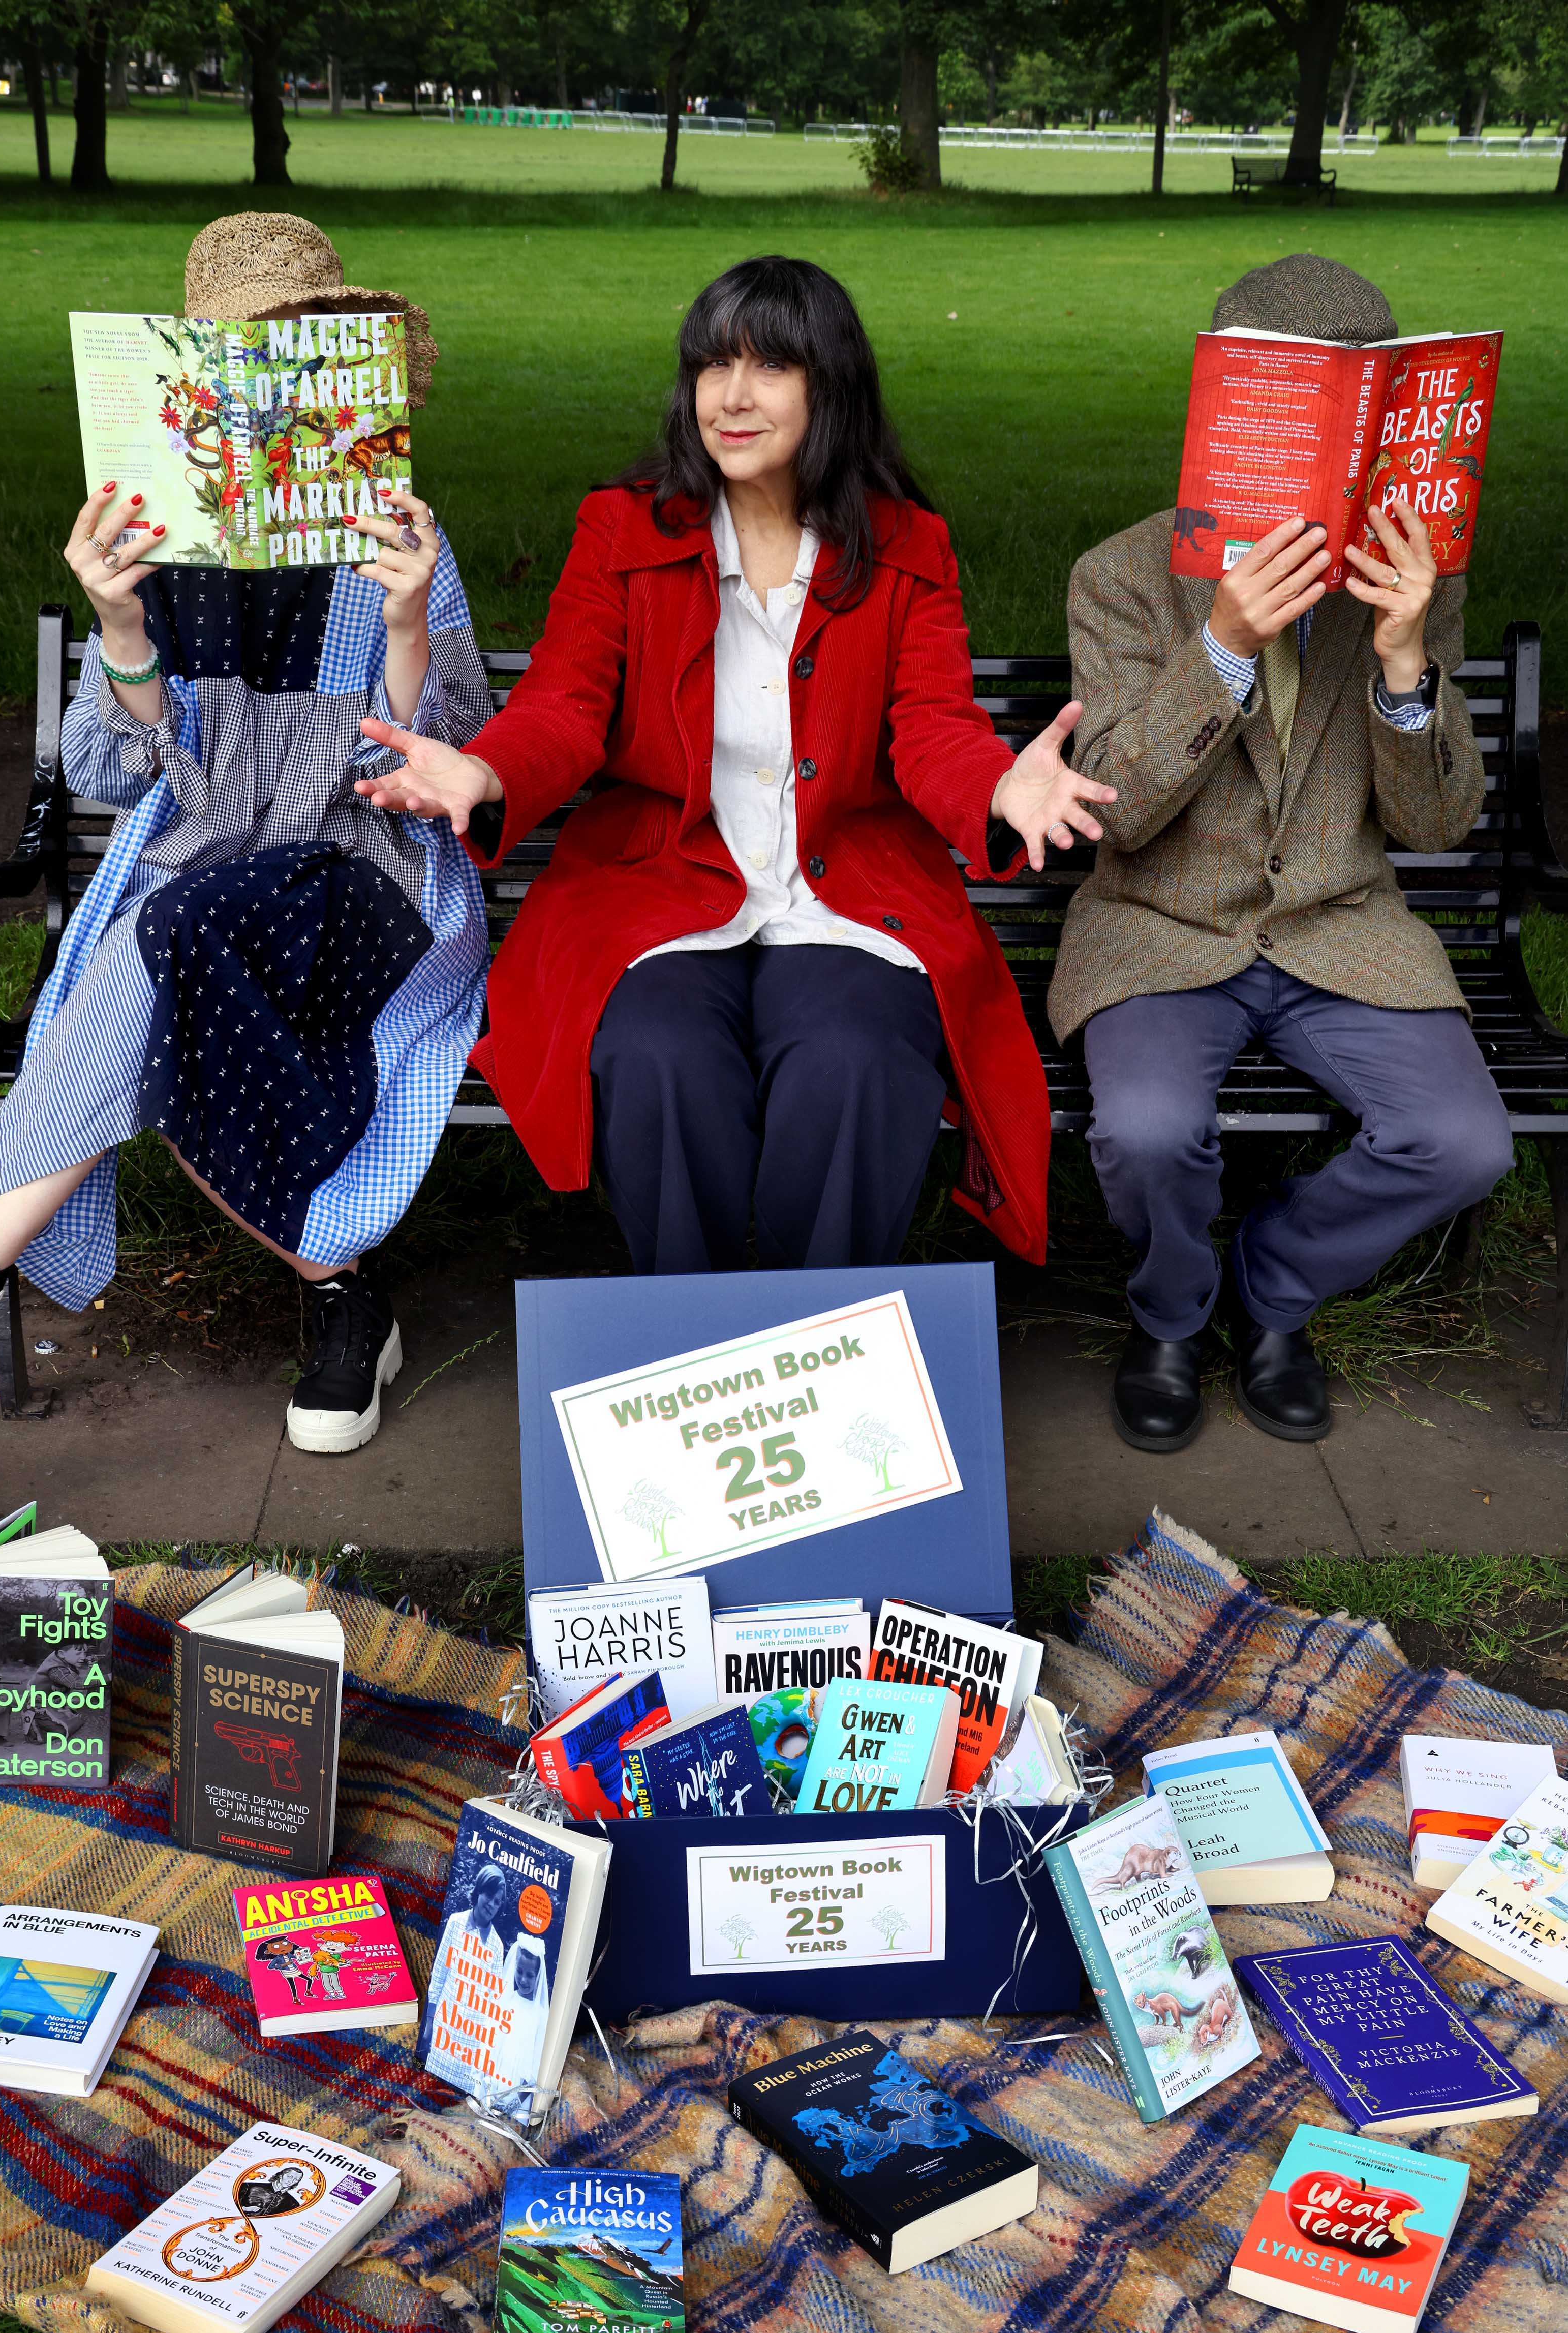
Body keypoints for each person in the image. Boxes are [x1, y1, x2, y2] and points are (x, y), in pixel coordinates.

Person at [352, 255, 1113, 1276]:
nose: (733, 395)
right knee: (659, 1060)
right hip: (657, 880)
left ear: (830, 387)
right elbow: (567, 703)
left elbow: (932, 724)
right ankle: (699, 1346)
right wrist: (486, 775)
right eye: (714, 365)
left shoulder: (906, 545)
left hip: (844, 891)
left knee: (858, 1063)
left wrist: (998, 784)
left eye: (770, 367)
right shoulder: (622, 528)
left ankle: (826, 1345)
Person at [0, 214, 492, 1461]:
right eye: (236, 361)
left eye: (298, 354)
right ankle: (341, 1291)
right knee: (182, 925)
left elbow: (437, 763)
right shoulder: (151, 533)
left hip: (362, 862)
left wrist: (412, 620)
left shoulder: (399, 533)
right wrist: (121, 625)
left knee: (166, 929)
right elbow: (102, 766)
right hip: (206, 856)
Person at [1052, 254, 1512, 1453]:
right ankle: (1170, 1314)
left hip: (1337, 928)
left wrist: (1408, 663)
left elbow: (1435, 825)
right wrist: (1223, 644)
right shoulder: (1118, 576)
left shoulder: (1406, 577)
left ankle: (1271, 1287)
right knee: (1148, 1129)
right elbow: (1118, 810)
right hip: (1161, 923)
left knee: (1466, 1141)